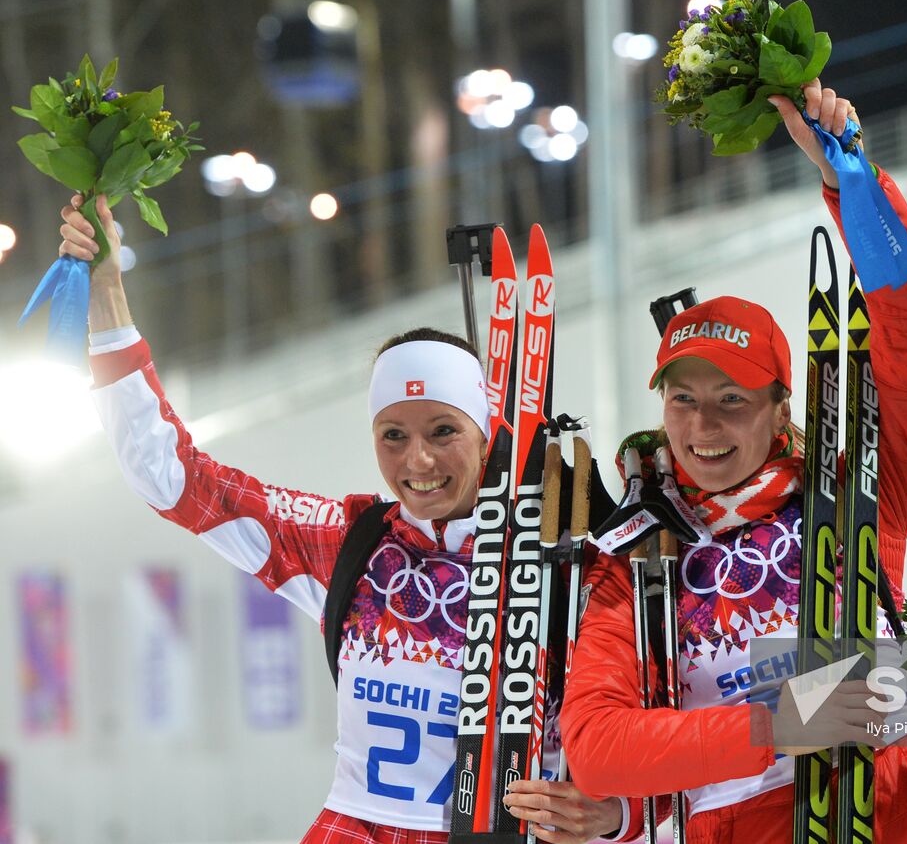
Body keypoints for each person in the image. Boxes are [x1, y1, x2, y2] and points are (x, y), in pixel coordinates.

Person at [57, 195, 633, 843]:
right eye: (392, 434)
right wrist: (107, 297)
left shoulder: (576, 570)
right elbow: (171, 476)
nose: (418, 459)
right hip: (360, 828)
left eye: (444, 430)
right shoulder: (351, 543)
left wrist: (619, 817)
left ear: (488, 430)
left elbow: (676, 710)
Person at [559, 80, 907, 843]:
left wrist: (850, 182)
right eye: (682, 399)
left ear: (782, 409)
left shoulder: (856, 498)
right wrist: (775, 721)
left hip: (892, 815)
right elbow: (596, 747)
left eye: (732, 399)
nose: (703, 424)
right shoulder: (635, 556)